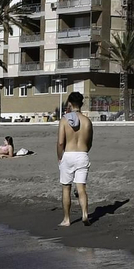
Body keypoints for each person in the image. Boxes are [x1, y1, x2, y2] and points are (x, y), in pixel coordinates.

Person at [57, 92, 93, 227]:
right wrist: (84, 151)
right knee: (81, 187)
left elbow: (61, 142)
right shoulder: (87, 121)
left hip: (68, 154)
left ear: (69, 103)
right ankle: (84, 214)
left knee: (66, 187)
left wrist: (59, 157)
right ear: (81, 104)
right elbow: (89, 142)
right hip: (82, 154)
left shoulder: (64, 120)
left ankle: (67, 219)